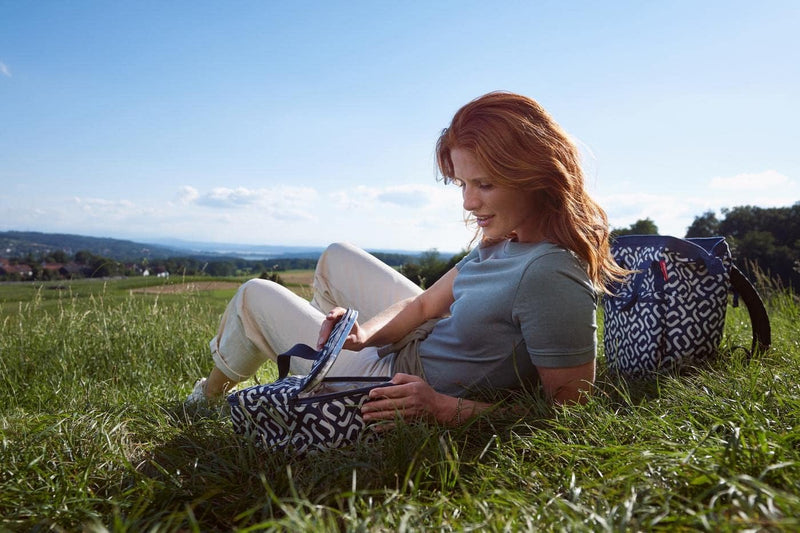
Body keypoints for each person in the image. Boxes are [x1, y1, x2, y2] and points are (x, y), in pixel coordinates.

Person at [186, 91, 627, 426]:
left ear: (535, 176)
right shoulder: (506, 241)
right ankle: (324, 371)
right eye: (462, 185)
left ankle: (207, 397)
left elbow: (569, 413)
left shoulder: (548, 274)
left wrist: (438, 407)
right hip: (418, 343)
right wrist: (361, 333)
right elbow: (421, 306)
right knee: (335, 256)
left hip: (398, 385)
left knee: (254, 295)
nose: (469, 203)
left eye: (485, 185)